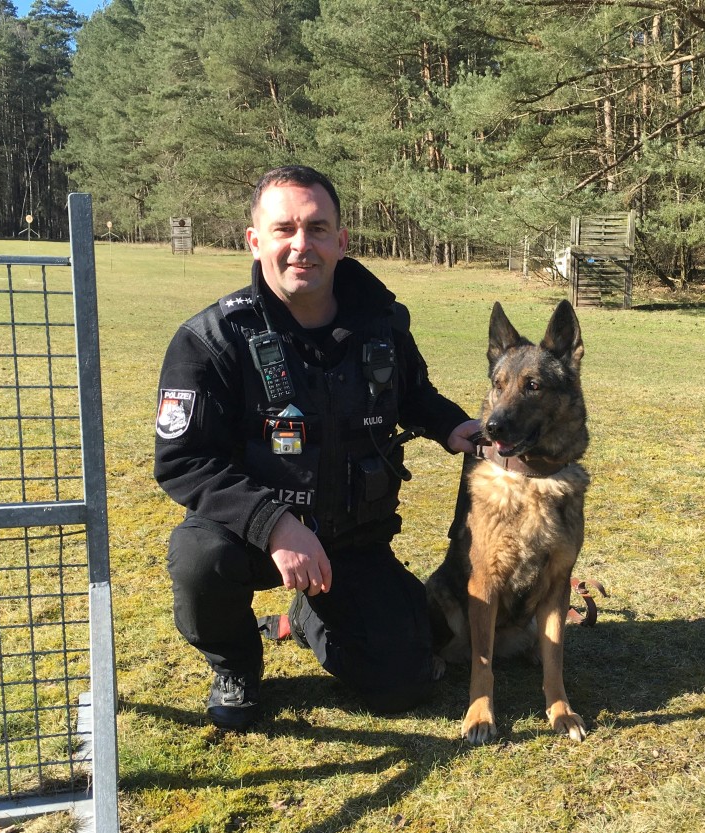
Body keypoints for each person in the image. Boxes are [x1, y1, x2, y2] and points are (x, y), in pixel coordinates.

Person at [154, 165, 479, 731]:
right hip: (247, 537)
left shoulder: (382, 324)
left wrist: (455, 428)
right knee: (199, 560)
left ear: (341, 240)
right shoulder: (210, 341)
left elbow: (413, 394)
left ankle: (309, 617)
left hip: (353, 537)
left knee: (407, 680)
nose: (301, 245)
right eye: (284, 229)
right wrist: (275, 525)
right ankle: (235, 664)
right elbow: (183, 462)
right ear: (255, 241)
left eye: (317, 228)